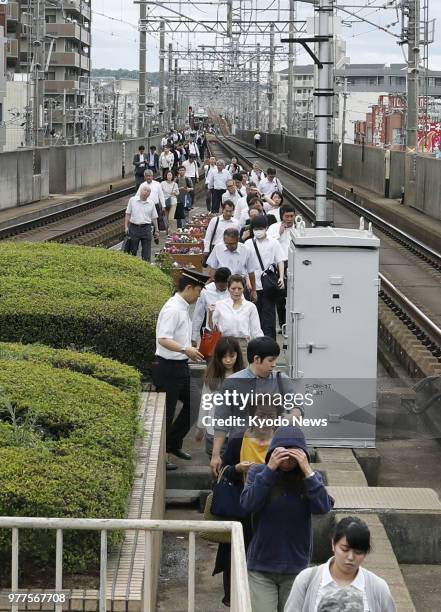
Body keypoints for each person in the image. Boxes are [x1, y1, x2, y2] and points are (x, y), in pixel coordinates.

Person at [240, 426, 334, 612]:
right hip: (261, 566)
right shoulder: (258, 472)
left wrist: (307, 469)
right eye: (282, 452)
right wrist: (269, 470)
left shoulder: (311, 478)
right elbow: (247, 504)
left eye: (294, 453)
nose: (288, 459)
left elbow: (323, 508)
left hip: (296, 568)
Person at [211, 401, 278, 607]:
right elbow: (225, 472)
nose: (265, 421)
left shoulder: (280, 443)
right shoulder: (239, 440)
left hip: (270, 511)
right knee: (237, 554)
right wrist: (238, 468)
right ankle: (233, 598)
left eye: (270, 417)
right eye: (260, 416)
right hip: (241, 509)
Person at [210, 337, 304, 476]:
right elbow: (221, 420)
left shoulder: (280, 379)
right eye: (270, 360)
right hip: (240, 445)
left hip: (273, 447)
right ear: (256, 359)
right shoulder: (232, 383)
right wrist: (216, 454)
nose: (274, 364)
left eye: (275, 360)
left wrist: (289, 417)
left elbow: (298, 406)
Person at [284, 516, 397, 612]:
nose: (350, 557)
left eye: (358, 552)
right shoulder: (306, 580)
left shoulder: (378, 587)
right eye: (345, 550)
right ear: (333, 544)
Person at [154, 269, 207, 471]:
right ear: (189, 288)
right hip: (167, 368)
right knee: (166, 416)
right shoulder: (173, 309)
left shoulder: (182, 306)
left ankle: (173, 443)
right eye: (198, 291)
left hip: (181, 366)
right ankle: (163, 456)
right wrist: (186, 349)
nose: (199, 295)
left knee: (196, 403)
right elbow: (163, 339)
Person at [195, 336, 244, 458]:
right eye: (224, 356)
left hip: (237, 434)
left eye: (231, 356)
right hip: (214, 432)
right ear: (218, 356)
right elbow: (205, 405)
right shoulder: (212, 378)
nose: (228, 360)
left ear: (237, 355)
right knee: (218, 472)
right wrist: (200, 429)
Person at [246, 216, 285, 339]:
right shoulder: (248, 244)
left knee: (268, 315)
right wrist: (247, 280)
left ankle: (269, 342)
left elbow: (280, 261)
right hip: (253, 285)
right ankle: (255, 341)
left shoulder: (274, 242)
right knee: (254, 315)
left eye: (261, 228)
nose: (258, 231)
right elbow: (244, 265)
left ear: (266, 228)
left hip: (268, 285)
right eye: (256, 229)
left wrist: (281, 277)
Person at [209, 274, 263, 360]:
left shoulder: (250, 307)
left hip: (243, 345)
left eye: (239, 289)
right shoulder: (220, 305)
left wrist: (261, 349)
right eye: (233, 288)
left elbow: (256, 330)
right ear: (228, 289)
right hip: (225, 344)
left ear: (243, 289)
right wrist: (210, 314)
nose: (236, 291)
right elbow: (212, 327)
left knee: (243, 371)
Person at [206, 228, 258, 302]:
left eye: (232, 244)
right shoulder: (218, 248)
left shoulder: (246, 250)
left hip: (239, 285)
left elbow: (251, 272)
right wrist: (209, 285)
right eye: (226, 243)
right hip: (223, 285)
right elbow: (213, 269)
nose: (228, 246)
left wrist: (254, 291)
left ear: (237, 240)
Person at [267, 204, 296, 330]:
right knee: (281, 295)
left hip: (295, 263)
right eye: (287, 216)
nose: (289, 219)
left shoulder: (299, 227)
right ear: (281, 216)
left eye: (291, 216)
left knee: (294, 294)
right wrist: (279, 233)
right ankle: (282, 324)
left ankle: (293, 323)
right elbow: (268, 244)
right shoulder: (274, 227)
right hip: (280, 264)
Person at [191, 267, 231, 346]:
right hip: (211, 333)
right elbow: (198, 315)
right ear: (214, 281)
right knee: (211, 357)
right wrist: (193, 337)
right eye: (219, 287)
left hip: (230, 333)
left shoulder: (234, 290)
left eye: (224, 287)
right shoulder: (206, 291)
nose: (222, 289)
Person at [124, 185, 159, 262]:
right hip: (134, 227)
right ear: (140, 191)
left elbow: (154, 217)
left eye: (148, 191)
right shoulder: (132, 200)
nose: (146, 192)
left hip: (146, 228)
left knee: (146, 252)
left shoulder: (151, 203)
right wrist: (126, 227)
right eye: (144, 190)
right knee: (132, 250)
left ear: (150, 194)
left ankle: (146, 266)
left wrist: (157, 230)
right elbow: (128, 214)